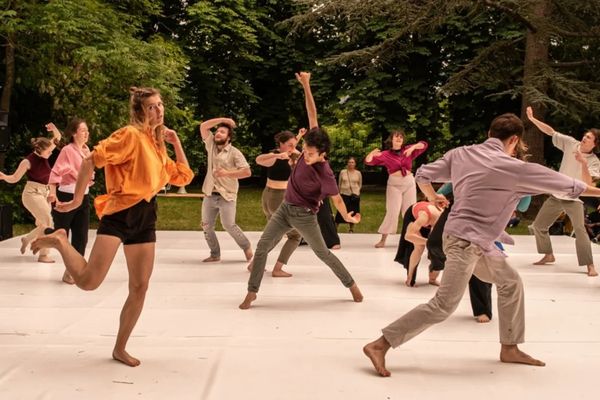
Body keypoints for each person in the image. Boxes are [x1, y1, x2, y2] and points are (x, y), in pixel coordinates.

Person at [363, 112, 600, 377]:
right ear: (514, 140)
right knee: (444, 305)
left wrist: (435, 198)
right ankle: (380, 345)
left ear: (489, 134)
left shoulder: (462, 153)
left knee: (510, 283)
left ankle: (509, 347)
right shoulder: (515, 168)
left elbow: (423, 174)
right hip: (465, 243)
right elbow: (569, 185)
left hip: (473, 241)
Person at [31, 87, 194, 367]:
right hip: (120, 213)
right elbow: (91, 159)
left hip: (146, 215)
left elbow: (183, 177)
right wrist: (78, 199)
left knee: (140, 286)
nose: (159, 110)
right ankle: (60, 240)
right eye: (152, 106)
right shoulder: (130, 135)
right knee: (89, 282)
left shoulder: (156, 143)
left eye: (160, 104)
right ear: (140, 111)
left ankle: (120, 348)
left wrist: (176, 141)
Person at [239, 72, 363, 310]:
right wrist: (306, 84)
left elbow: (336, 197)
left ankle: (351, 285)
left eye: (310, 153)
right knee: (263, 247)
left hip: (305, 215)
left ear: (323, 154)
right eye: (304, 149)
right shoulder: (311, 144)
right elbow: (312, 113)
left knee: (323, 253)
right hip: (284, 208)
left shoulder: (324, 171)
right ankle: (252, 292)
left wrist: (347, 216)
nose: (304, 154)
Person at [527, 107, 600, 277]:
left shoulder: (594, 162)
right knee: (538, 226)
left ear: (595, 144)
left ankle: (589, 265)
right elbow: (551, 132)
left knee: (580, 230)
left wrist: (583, 163)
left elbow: (588, 184)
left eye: (588, 138)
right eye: (585, 135)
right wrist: (532, 119)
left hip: (574, 198)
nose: (584, 138)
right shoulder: (571, 143)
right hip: (557, 194)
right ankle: (548, 254)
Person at [0, 124, 61, 263]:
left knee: (43, 224)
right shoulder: (27, 162)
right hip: (31, 194)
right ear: (39, 150)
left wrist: (53, 129)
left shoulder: (46, 149)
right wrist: (4, 177)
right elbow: (15, 178)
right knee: (48, 221)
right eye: (48, 152)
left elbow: (57, 137)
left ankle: (26, 239)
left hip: (44, 193)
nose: (50, 154)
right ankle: (44, 254)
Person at [199, 117, 253, 263]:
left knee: (229, 225)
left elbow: (247, 172)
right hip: (210, 193)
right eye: (217, 131)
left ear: (228, 138)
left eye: (222, 132)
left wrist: (227, 173)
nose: (218, 133)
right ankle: (215, 254)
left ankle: (246, 247)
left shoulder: (235, 153)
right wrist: (223, 120)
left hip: (227, 195)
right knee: (206, 226)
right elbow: (204, 126)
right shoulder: (210, 145)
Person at [253, 129, 305, 277]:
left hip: (270, 197)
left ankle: (255, 263)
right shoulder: (274, 155)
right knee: (295, 235)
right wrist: (278, 156)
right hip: (278, 199)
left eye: (294, 145)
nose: (293, 148)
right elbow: (259, 159)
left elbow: (298, 151)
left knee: (273, 234)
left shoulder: (293, 153)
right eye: (289, 145)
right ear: (281, 145)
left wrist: (299, 136)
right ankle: (277, 268)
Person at [48, 118, 94, 284]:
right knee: (62, 235)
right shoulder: (67, 150)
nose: (86, 133)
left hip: (84, 197)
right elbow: (55, 173)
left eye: (87, 130)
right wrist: (53, 194)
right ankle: (43, 239)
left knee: (81, 236)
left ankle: (72, 272)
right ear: (74, 133)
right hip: (67, 196)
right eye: (83, 130)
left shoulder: (87, 150)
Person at [365, 131, 428, 248]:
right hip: (394, 185)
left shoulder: (408, 149)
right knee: (392, 211)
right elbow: (368, 161)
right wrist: (371, 153)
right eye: (396, 137)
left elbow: (424, 144)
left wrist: (413, 147)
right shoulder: (385, 154)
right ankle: (383, 239)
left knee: (409, 212)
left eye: (401, 137)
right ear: (391, 140)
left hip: (409, 183)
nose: (399, 138)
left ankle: (413, 238)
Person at [395, 201, 444, 287]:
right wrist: (428, 242)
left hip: (431, 218)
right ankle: (409, 278)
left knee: (438, 248)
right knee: (419, 247)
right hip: (414, 216)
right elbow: (408, 236)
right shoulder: (423, 217)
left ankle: (432, 278)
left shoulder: (443, 218)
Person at [335, 157, 362, 233]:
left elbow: (360, 184)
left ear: (355, 164)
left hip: (354, 196)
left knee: (353, 212)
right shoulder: (343, 172)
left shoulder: (358, 173)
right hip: (344, 194)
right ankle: (335, 228)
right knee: (340, 211)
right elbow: (339, 184)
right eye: (349, 162)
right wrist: (339, 193)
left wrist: (357, 192)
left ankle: (351, 229)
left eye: (352, 162)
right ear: (347, 163)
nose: (351, 164)